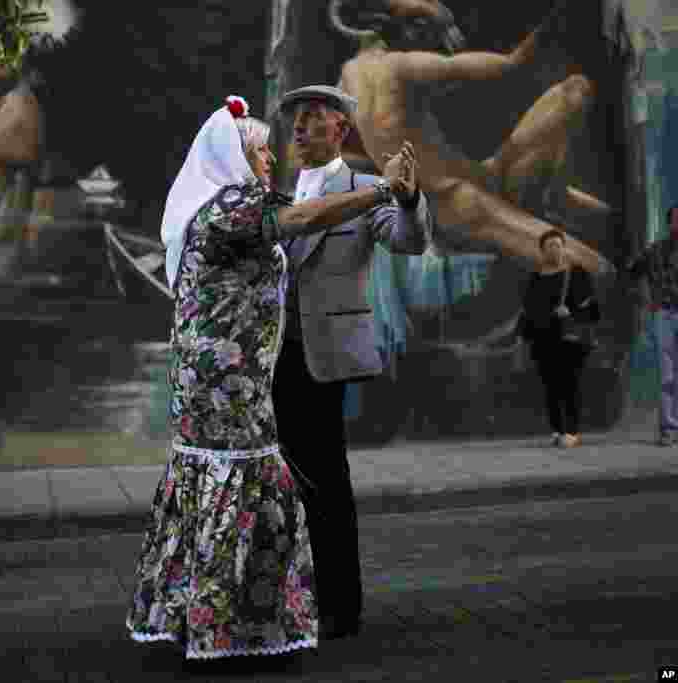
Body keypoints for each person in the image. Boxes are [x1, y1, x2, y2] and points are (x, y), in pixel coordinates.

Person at [126, 94, 416, 662]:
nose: (269, 159)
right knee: (247, 492)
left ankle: (263, 612)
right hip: (230, 385)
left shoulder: (227, 202)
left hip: (243, 376)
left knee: (271, 489)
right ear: (233, 157)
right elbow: (302, 219)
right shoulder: (231, 208)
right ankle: (231, 623)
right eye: (258, 151)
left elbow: (379, 230)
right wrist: (383, 187)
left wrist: (396, 196)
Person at [272, 84, 430, 641]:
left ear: (340, 129)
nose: (298, 129)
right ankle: (296, 595)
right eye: (295, 120)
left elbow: (409, 241)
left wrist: (408, 199)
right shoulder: (281, 193)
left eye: (313, 119)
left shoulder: (367, 188)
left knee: (325, 482)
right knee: (282, 483)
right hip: (272, 359)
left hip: (323, 356)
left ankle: (340, 606)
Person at [329, 0, 614, 276]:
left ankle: (555, 197)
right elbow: (510, 64)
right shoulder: (400, 67)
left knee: (574, 91)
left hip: (482, 181)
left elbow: (351, 161)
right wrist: (557, 15)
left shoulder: (345, 86)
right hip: (464, 206)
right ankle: (560, 209)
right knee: (597, 269)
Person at [519, 229, 600, 448]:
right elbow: (528, 309)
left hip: (570, 339)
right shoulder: (535, 278)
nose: (553, 249)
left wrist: (571, 312)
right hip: (544, 340)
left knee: (570, 385)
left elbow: (593, 310)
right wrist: (524, 336)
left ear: (564, 248)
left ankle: (572, 432)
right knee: (550, 387)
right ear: (542, 251)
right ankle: (557, 429)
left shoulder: (577, 274)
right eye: (549, 246)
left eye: (557, 245)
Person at [626, 205, 678, 446]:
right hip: (665, 314)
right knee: (667, 375)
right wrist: (647, 301)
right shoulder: (654, 250)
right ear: (670, 223)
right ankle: (668, 428)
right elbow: (631, 273)